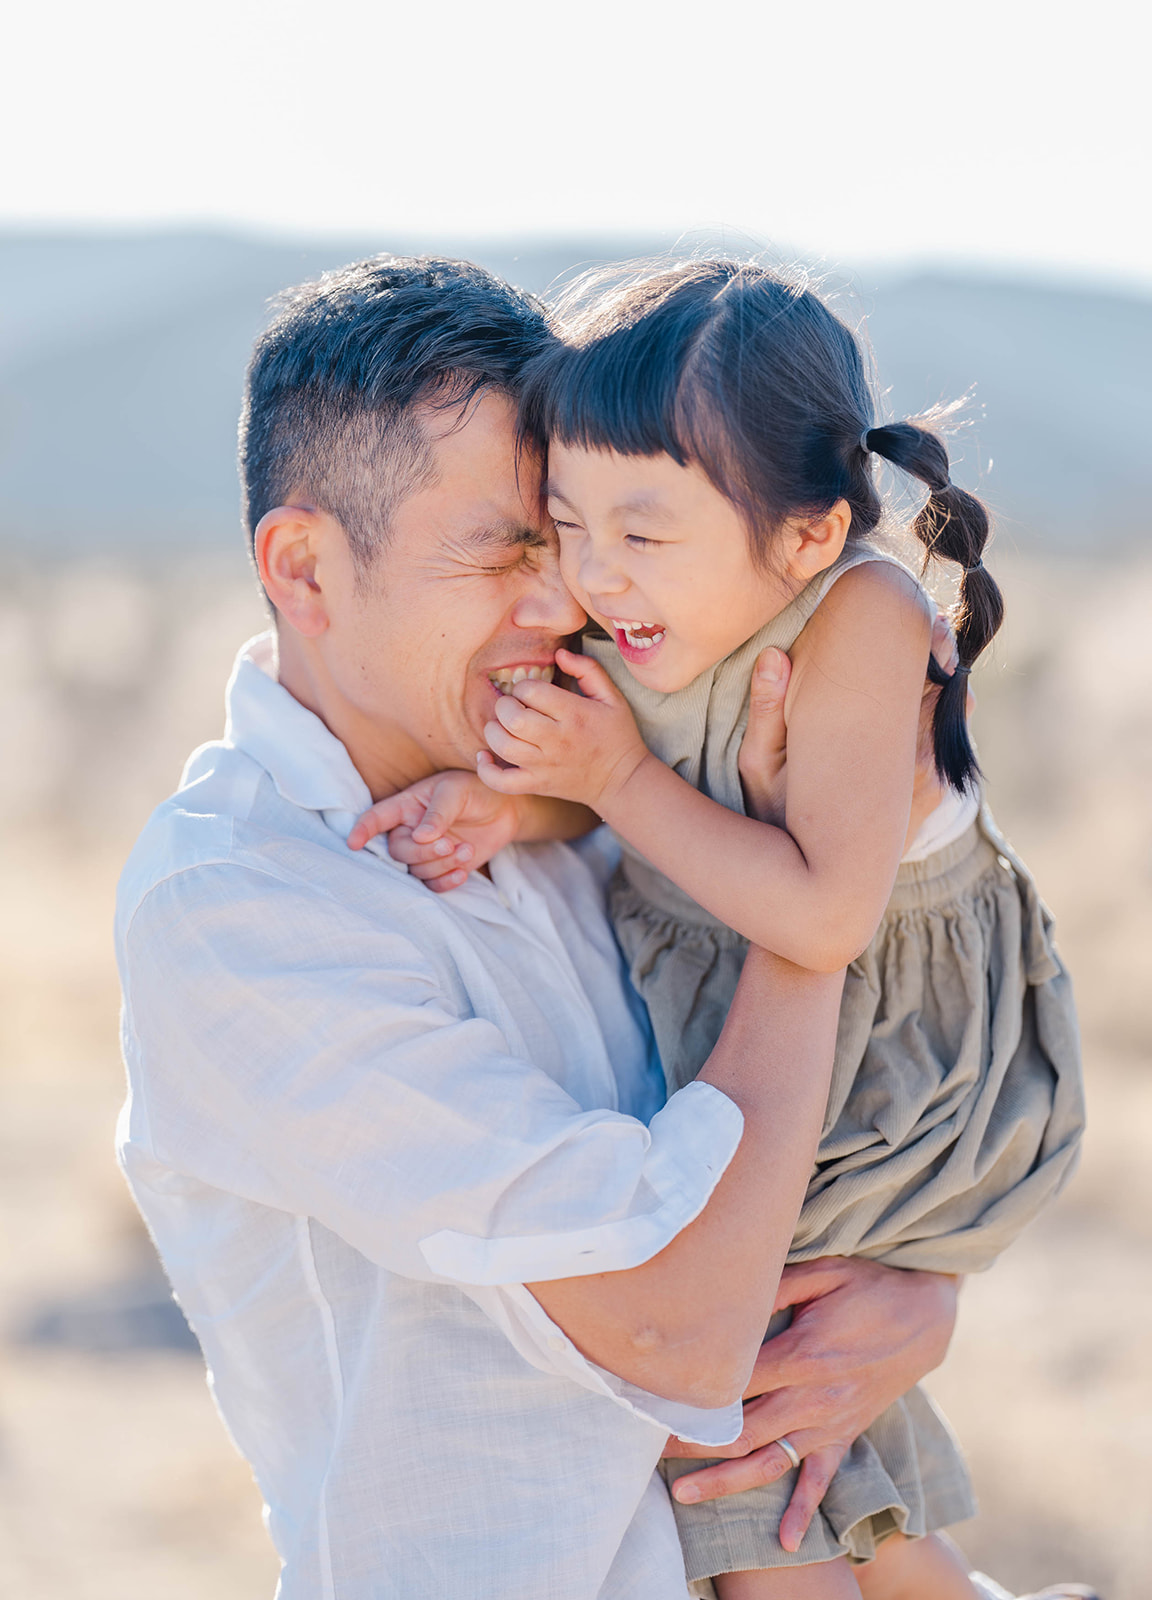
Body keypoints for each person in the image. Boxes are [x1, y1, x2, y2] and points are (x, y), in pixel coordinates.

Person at [114, 255, 963, 1600]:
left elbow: (799, 1165)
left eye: (563, 541)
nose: (564, 601)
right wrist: (810, 901)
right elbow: (677, 1326)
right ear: (305, 567)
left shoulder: (573, 768)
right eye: (504, 552)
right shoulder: (237, 910)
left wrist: (909, 1297)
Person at [352, 260, 1089, 1600]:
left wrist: (611, 778)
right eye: (566, 523)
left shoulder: (860, 615)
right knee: (788, 1418)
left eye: (643, 532)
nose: (594, 573)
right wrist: (514, 810)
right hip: (769, 1024)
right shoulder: (647, 617)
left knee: (738, 1428)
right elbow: (614, 808)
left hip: (899, 1054)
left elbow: (823, 912)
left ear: (805, 536)